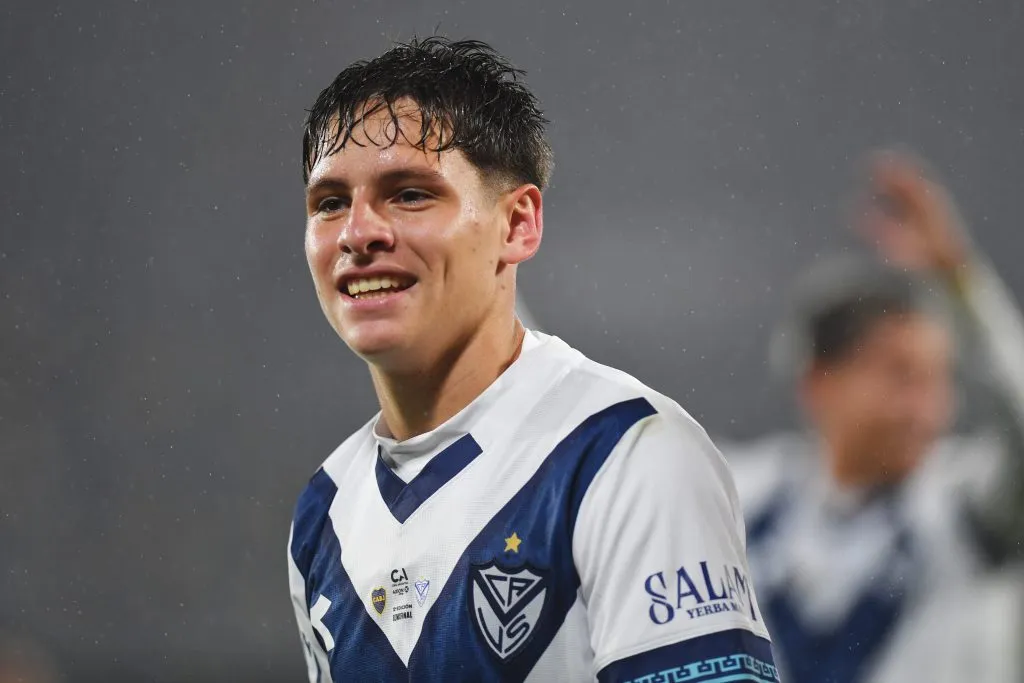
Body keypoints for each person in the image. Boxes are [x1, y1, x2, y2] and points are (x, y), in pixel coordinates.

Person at [287, 37, 777, 682]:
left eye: (409, 194)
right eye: (329, 203)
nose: (358, 233)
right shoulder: (324, 514)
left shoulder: (627, 457)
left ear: (517, 224)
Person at [727, 151, 1024, 683]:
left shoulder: (969, 512)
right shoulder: (741, 499)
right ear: (820, 381)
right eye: (902, 376)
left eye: (940, 380)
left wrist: (961, 283)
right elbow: (583, 445)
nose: (931, 407)